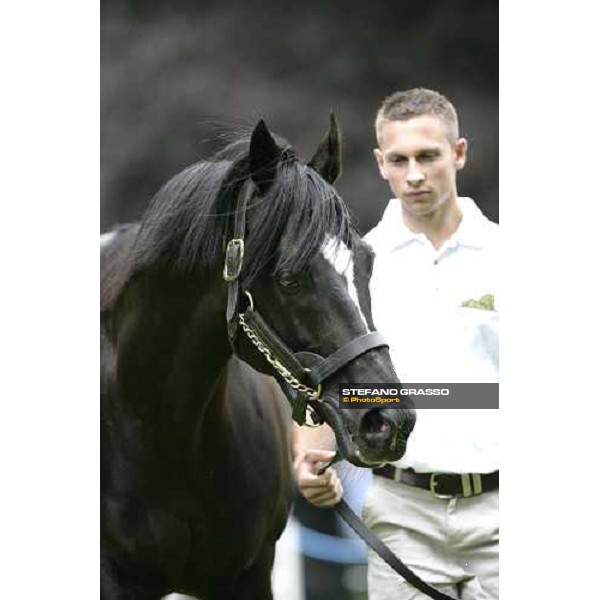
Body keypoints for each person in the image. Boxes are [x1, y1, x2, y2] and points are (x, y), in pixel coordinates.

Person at [294, 88, 499, 600]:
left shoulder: (511, 255)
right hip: (400, 512)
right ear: (380, 163)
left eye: (428, 156)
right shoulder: (352, 264)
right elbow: (327, 377)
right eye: (400, 160)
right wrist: (309, 456)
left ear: (459, 153)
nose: (414, 175)